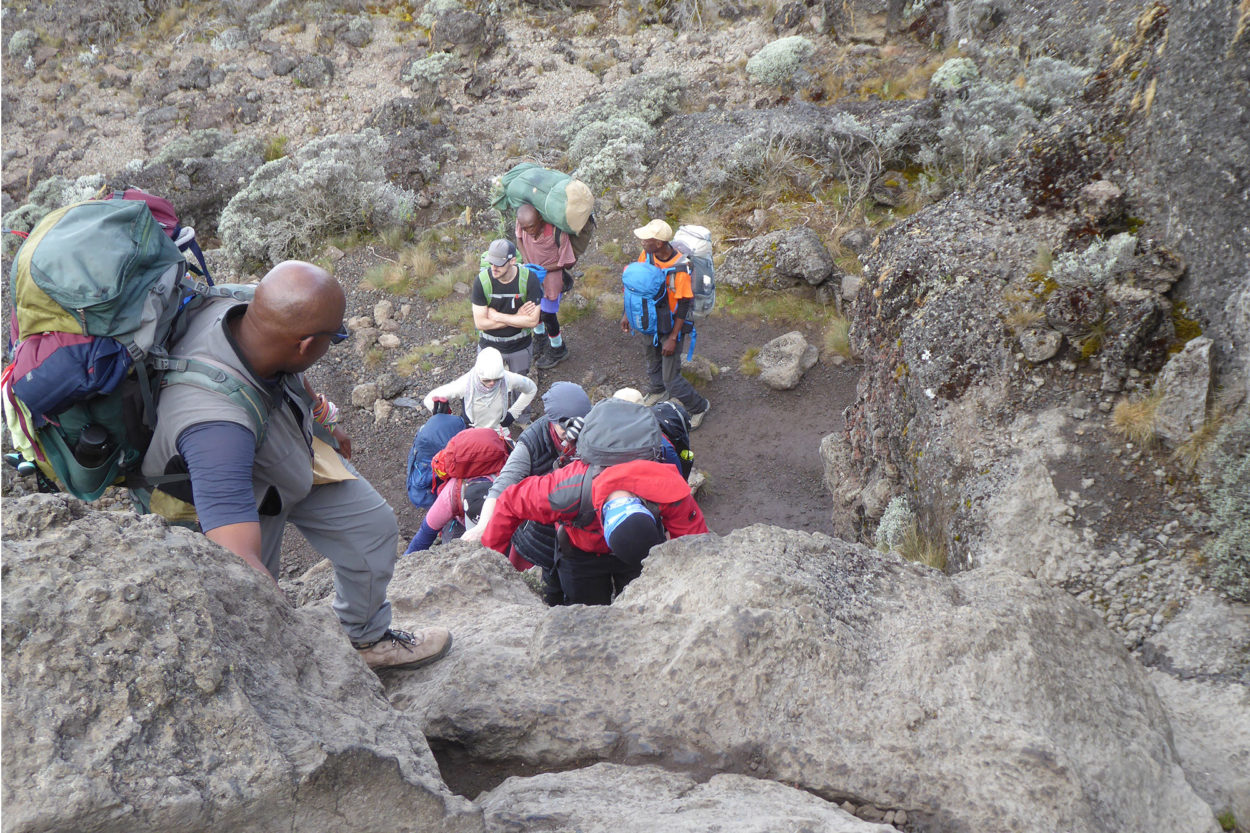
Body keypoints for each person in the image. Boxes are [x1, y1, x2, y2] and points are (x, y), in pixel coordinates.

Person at [141, 261, 451, 672]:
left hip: (279, 445)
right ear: (305, 344)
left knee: (372, 530)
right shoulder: (216, 429)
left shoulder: (249, 307)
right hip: (231, 493)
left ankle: (365, 638)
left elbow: (288, 372)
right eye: (332, 339)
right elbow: (237, 563)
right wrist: (301, 648)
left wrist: (323, 422)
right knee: (250, 610)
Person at [480, 457, 708, 605]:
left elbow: (696, 545)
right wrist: (489, 568)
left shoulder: (664, 488)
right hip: (580, 552)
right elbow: (510, 501)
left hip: (635, 548)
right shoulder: (564, 491)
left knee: (643, 603)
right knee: (585, 609)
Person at [461, 381, 593, 605]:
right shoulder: (532, 441)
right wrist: (483, 526)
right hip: (540, 538)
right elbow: (504, 484)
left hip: (583, 540)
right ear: (552, 422)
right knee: (541, 597)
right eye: (563, 428)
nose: (569, 434)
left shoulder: (594, 433)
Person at [622, 219, 711, 429]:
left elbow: (683, 305)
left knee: (671, 377)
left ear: (659, 243)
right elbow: (636, 285)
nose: (642, 241)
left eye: (647, 239)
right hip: (648, 321)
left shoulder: (681, 268)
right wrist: (626, 313)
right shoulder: (648, 255)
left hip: (670, 327)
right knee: (651, 360)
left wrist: (672, 338)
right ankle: (657, 390)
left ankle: (699, 407)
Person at [515, 203, 576, 369]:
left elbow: (568, 262)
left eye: (532, 226)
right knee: (533, 306)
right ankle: (540, 337)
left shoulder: (557, 233)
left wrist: (543, 269)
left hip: (551, 279)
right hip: (532, 273)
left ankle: (558, 348)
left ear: (540, 218)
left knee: (547, 314)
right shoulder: (523, 224)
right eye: (525, 227)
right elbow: (519, 238)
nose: (529, 231)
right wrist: (527, 262)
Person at [422, 346, 537, 430]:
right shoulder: (464, 384)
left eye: (497, 379)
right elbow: (429, 399)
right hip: (471, 433)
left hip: (498, 432)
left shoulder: (507, 379)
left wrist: (512, 414)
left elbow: (531, 388)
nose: (492, 383)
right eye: (487, 380)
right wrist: (448, 420)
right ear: (478, 374)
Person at [473, 239, 543, 375]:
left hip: (520, 347)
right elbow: (480, 323)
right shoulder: (481, 282)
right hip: (489, 347)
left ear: (512, 261)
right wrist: (517, 318)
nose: (494, 267)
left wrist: (497, 316)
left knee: (519, 391)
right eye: (491, 262)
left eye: (499, 264)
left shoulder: (529, 280)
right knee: (489, 391)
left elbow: (532, 321)